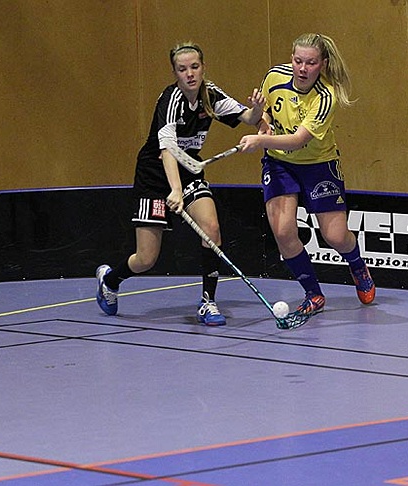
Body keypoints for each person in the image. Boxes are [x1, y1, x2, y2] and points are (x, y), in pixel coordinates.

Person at [95, 42, 265, 326]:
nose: (190, 74)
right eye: (182, 69)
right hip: (154, 176)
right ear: (175, 73)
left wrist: (257, 110)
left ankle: (208, 302)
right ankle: (110, 280)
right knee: (146, 258)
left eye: (195, 67)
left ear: (203, 67)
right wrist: (174, 190)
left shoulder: (210, 95)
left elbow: (247, 117)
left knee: (211, 228)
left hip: (188, 170)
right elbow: (167, 150)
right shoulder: (170, 100)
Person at [237, 33, 375, 319]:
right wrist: (262, 123)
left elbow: (299, 140)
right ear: (291, 58)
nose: (302, 68)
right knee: (283, 232)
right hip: (279, 164)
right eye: (298, 61)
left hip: (318, 165)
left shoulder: (326, 97)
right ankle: (313, 294)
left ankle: (357, 264)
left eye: (310, 63)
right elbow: (265, 114)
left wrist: (260, 141)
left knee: (336, 236)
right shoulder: (274, 77)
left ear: (322, 64)